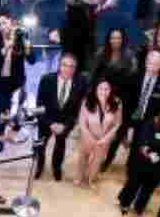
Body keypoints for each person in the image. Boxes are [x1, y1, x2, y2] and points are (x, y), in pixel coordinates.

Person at [34, 51, 85, 182]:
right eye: (64, 65)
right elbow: (39, 105)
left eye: (71, 66)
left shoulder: (80, 83)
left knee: (60, 147)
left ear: (75, 68)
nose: (67, 69)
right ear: (59, 65)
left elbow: (77, 109)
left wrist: (66, 126)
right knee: (41, 146)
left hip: (65, 123)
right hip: (46, 120)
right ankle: (39, 166)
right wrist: (50, 124)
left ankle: (56, 168)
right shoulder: (46, 79)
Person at [72, 77, 122, 187]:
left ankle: (91, 180)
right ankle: (79, 177)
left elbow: (117, 123)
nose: (103, 92)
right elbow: (82, 122)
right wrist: (89, 137)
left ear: (111, 90)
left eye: (106, 89)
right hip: (87, 137)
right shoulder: (87, 101)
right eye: (100, 88)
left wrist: (106, 139)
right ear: (95, 89)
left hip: (103, 140)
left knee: (97, 161)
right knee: (83, 158)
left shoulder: (117, 102)